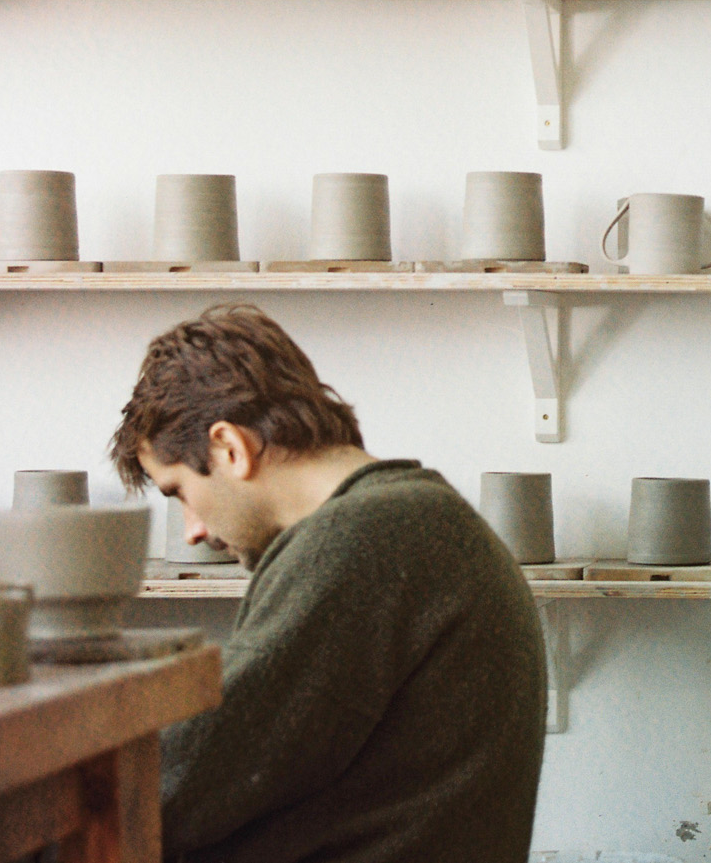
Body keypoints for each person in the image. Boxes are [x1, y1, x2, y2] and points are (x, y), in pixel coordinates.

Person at [110, 303, 546, 863]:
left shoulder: (364, 540)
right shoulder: (411, 517)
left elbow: (179, 785)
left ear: (229, 448)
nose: (192, 531)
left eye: (179, 493)